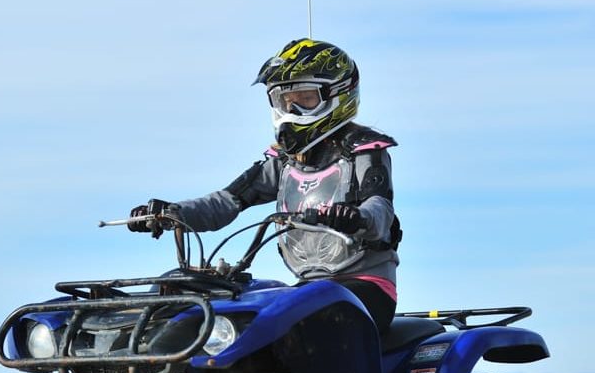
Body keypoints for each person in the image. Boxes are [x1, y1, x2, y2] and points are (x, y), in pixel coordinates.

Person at [126, 38, 401, 333]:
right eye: (285, 100)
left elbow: (380, 209)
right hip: (308, 288)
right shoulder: (285, 162)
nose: (291, 108)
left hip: (365, 287)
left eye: (305, 99)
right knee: (253, 324)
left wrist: (355, 217)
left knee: (299, 325)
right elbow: (226, 202)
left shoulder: (364, 151)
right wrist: (172, 213)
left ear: (337, 95)